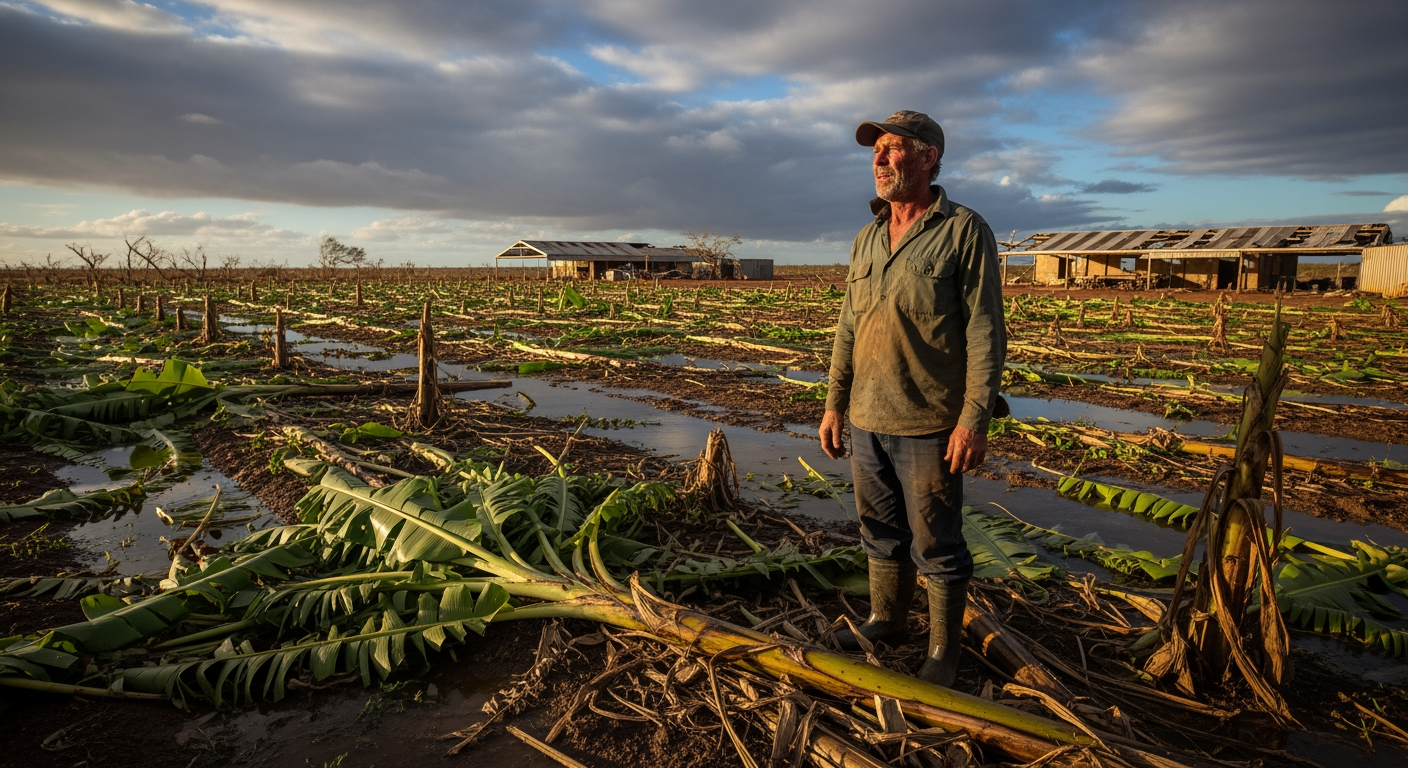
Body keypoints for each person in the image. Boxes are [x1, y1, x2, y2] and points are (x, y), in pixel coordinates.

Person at [820, 110, 1006, 686]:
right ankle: (886, 619)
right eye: (875, 150)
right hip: (867, 417)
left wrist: (974, 419)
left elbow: (985, 330)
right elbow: (848, 326)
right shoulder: (868, 237)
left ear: (928, 158)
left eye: (893, 148)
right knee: (878, 531)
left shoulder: (963, 230)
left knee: (938, 545)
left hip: (929, 422)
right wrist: (833, 403)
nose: (878, 159)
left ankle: (944, 650)